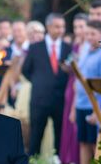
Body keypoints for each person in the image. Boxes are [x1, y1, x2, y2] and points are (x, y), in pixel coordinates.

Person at [66, 20, 101, 164]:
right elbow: (78, 80)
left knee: (94, 143)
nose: (89, 37)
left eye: (93, 34)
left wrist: (98, 110)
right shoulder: (84, 50)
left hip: (94, 105)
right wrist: (74, 108)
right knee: (83, 141)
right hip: (81, 103)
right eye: (88, 34)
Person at [21, 13, 72, 156]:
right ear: (49, 27)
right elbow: (26, 70)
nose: (60, 30)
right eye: (57, 26)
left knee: (60, 136)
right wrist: (39, 82)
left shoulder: (69, 48)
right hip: (40, 100)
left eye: (62, 27)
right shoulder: (36, 48)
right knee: (36, 136)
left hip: (61, 100)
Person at [59, 13, 88, 164]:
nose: (78, 30)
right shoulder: (75, 46)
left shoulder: (89, 46)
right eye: (76, 27)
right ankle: (71, 162)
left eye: (81, 26)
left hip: (83, 88)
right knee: (69, 123)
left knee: (78, 123)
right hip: (71, 85)